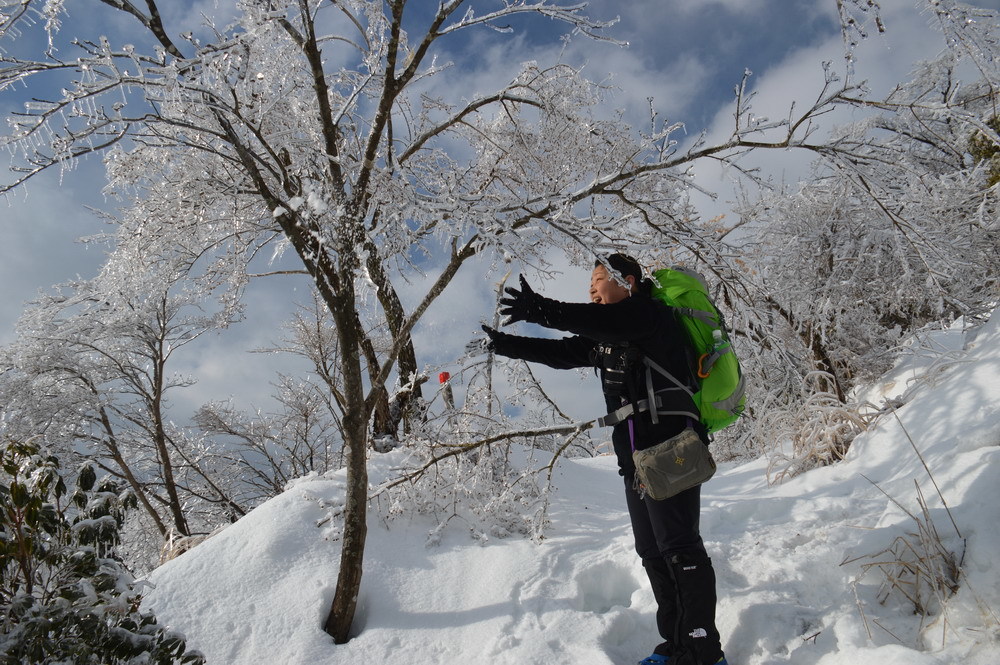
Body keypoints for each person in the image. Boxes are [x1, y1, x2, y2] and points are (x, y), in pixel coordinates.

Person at [480, 254, 727, 665]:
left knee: (680, 547)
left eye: (598, 281)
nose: (592, 290)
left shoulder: (648, 315)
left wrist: (540, 307)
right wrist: (503, 344)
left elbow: (595, 322)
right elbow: (562, 352)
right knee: (652, 551)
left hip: (671, 446)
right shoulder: (609, 336)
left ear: (627, 281)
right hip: (635, 459)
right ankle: (677, 644)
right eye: (589, 285)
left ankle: (702, 650)